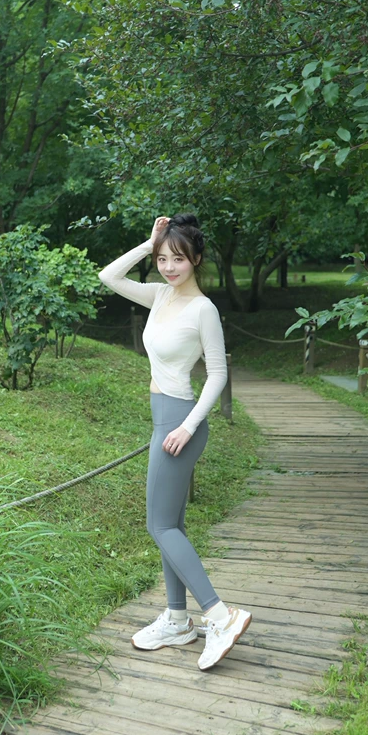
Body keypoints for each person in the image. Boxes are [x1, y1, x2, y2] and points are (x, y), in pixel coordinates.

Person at [99, 214, 252, 671]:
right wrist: (149, 244)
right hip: (162, 419)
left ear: (197, 260)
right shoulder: (161, 295)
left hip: (180, 424)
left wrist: (186, 427)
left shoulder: (203, 309)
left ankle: (220, 616)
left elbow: (218, 374)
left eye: (178, 259)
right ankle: (178, 620)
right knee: (172, 527)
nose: (168, 267)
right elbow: (109, 276)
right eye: (163, 259)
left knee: (159, 526)